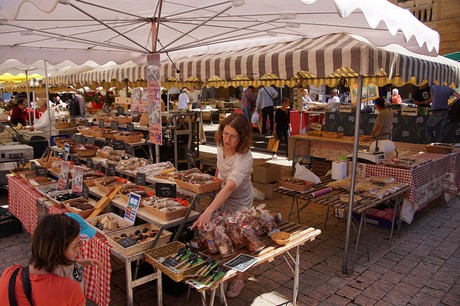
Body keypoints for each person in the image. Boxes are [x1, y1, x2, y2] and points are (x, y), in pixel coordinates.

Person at [191, 113, 253, 298]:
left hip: (240, 199)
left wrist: (208, 210)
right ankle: (221, 269)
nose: (227, 139)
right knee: (218, 233)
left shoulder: (244, 157)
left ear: (242, 138)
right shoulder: (220, 144)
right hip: (222, 194)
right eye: (225, 133)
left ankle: (239, 278)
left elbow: (230, 186)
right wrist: (215, 182)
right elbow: (220, 169)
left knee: (239, 238)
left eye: (233, 136)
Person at [0, 214, 101, 305]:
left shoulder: (9, 274)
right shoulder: (69, 289)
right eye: (75, 246)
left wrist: (83, 262)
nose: (79, 250)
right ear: (58, 250)